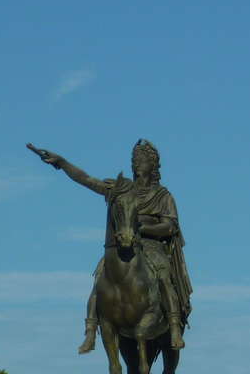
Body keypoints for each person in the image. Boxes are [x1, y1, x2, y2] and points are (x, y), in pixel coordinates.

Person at [27, 139, 192, 351]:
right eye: (134, 160)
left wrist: (140, 230)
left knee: (162, 275)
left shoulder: (163, 196)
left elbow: (169, 226)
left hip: (150, 246)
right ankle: (90, 331)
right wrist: (62, 162)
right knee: (100, 277)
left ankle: (174, 326)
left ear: (153, 165)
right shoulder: (121, 189)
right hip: (122, 246)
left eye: (141, 160)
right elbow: (87, 179)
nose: (136, 163)